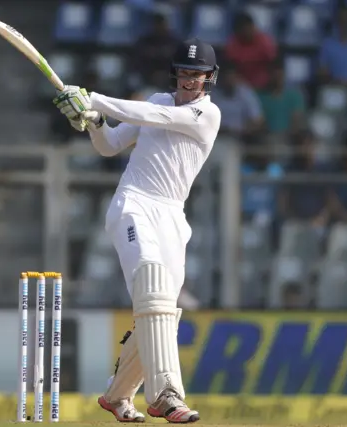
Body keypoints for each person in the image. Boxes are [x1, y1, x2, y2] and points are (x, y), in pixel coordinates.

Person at [53, 38, 221, 423]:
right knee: (151, 279)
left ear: (209, 78)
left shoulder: (207, 115)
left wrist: (92, 100)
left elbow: (152, 118)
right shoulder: (159, 100)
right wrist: (94, 123)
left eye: (197, 75)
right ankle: (165, 394)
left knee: (162, 311)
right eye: (184, 72)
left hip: (173, 217)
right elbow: (110, 145)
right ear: (175, 73)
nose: (189, 81)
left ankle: (117, 395)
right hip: (134, 203)